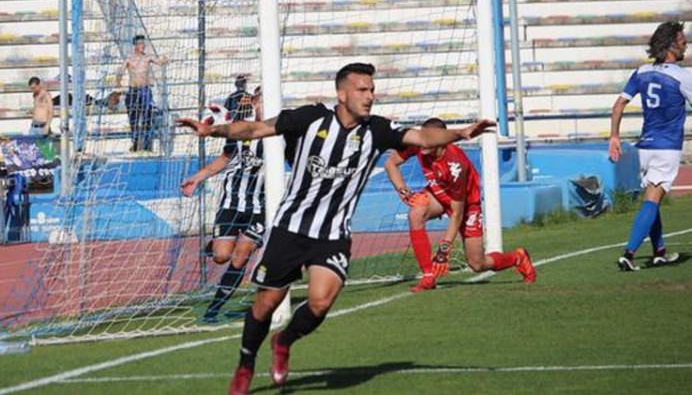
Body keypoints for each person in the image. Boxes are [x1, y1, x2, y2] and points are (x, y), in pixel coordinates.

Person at [177, 63, 495, 394]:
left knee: (320, 301)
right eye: (362, 90)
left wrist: (460, 133)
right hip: (291, 227)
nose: (370, 96)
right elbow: (256, 130)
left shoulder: (378, 130)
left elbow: (422, 135)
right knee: (265, 305)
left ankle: (283, 340)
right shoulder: (310, 118)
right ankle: (245, 364)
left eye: (372, 90)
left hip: (333, 234)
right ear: (341, 94)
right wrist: (212, 131)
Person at [385, 117, 536, 292]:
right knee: (415, 213)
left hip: (466, 205)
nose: (423, 144)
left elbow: (457, 212)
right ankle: (428, 276)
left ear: (441, 140)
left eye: (429, 139)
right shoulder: (419, 144)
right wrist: (404, 192)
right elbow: (390, 164)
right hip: (439, 193)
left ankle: (517, 257)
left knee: (477, 264)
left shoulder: (455, 164)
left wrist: (444, 248)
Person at [181, 88, 265, 322]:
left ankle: (214, 307)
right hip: (231, 203)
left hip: (260, 208)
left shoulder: (279, 132)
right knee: (221, 257)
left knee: (241, 257)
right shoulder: (239, 130)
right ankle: (214, 246)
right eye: (260, 101)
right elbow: (225, 159)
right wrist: (196, 178)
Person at [609, 21, 686, 271]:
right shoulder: (682, 75)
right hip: (668, 148)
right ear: (671, 45)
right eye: (683, 41)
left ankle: (659, 251)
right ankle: (628, 255)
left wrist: (614, 136)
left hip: (645, 147)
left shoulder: (641, 72)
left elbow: (618, 105)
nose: (686, 44)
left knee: (651, 198)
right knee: (652, 200)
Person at [117, 35, 168, 152]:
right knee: (133, 118)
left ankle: (146, 145)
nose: (143, 46)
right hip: (133, 91)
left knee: (147, 117)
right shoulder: (129, 59)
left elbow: (159, 62)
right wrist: (118, 83)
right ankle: (135, 141)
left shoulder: (147, 58)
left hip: (145, 91)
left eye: (143, 43)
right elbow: (120, 71)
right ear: (135, 45)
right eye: (140, 43)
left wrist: (164, 59)